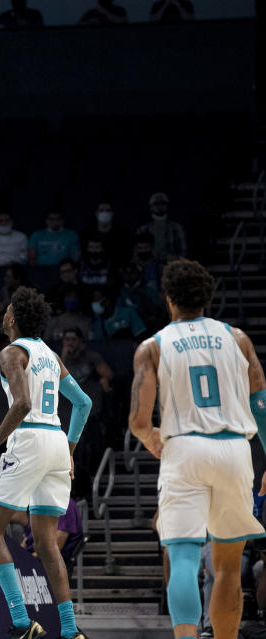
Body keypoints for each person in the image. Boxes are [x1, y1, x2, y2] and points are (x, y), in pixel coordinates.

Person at [129, 258, 266, 639]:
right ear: (207, 297)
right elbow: (261, 402)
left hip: (185, 450)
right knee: (226, 566)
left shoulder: (152, 347)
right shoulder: (238, 339)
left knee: (185, 558)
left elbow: (139, 420)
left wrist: (148, 437)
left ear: (168, 298)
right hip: (235, 450)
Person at [0, 288, 93, 639]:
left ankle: (23, 624)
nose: (5, 312)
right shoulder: (51, 356)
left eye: (8, 308)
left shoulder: (12, 352)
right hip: (55, 440)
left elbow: (22, 404)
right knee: (46, 543)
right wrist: (68, 449)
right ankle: (70, 631)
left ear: (13, 318)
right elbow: (83, 403)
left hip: (29, 441)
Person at [15, 497, 84, 566]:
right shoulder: (45, 505)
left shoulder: (65, 504)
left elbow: (56, 545)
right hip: (32, 558)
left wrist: (27, 558)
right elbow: (27, 540)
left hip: (45, 563)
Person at [135, 192, 187, 262]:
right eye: (156, 204)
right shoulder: (143, 229)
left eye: (163, 204)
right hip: (148, 267)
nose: (160, 207)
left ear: (167, 206)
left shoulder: (176, 228)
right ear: (151, 207)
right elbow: (136, 252)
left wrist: (172, 258)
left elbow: (183, 252)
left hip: (170, 266)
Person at [60, 328, 113, 393]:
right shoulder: (58, 358)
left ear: (80, 341)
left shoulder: (91, 356)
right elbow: (55, 380)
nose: (70, 343)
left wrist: (105, 379)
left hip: (88, 392)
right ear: (63, 341)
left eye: (74, 340)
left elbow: (109, 374)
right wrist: (63, 358)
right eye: (67, 340)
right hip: (69, 394)